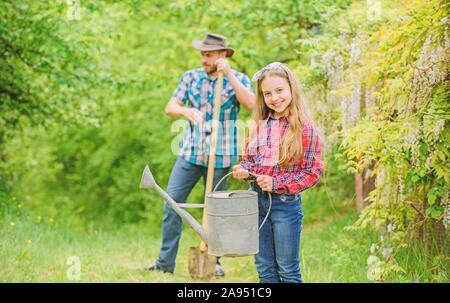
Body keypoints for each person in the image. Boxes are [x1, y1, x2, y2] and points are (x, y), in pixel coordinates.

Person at [141, 33, 254, 276]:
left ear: (222, 55)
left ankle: (216, 262)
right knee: (172, 203)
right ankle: (164, 263)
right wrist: (185, 112)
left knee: (216, 211)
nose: (204, 59)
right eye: (202, 54)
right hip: (190, 154)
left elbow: (251, 104)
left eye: (209, 55)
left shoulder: (239, 79)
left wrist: (231, 75)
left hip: (222, 156)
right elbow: (170, 107)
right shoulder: (190, 77)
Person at [233, 62, 323, 283]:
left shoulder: (305, 128)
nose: (274, 97)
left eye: (280, 90)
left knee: (287, 270)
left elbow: (312, 172)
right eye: (267, 93)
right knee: (265, 270)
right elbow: (250, 160)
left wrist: (277, 183)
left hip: (285, 205)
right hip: (256, 204)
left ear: (291, 89)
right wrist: (244, 169)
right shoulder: (259, 125)